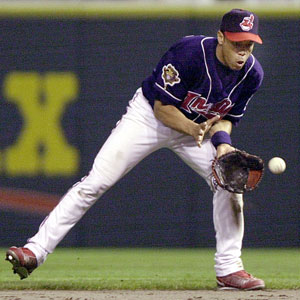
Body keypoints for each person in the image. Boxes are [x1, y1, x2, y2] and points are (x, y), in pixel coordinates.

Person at [6, 8, 265, 290]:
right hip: (150, 119)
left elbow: (225, 119)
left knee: (229, 184)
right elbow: (162, 109)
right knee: (96, 181)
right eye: (237, 43)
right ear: (220, 38)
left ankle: (229, 270)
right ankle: (34, 252)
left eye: (248, 44)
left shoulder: (252, 74)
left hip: (197, 131)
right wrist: (194, 129)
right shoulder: (190, 52)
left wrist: (223, 147)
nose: (242, 51)